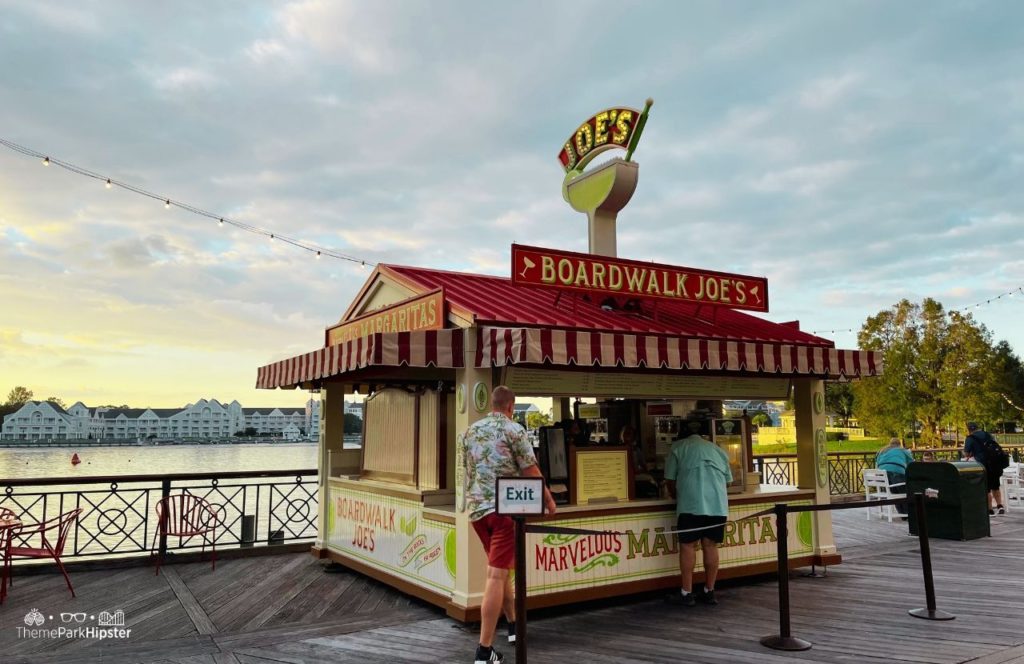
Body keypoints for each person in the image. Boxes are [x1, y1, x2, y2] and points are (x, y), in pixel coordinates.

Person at [461, 386, 556, 664]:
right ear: (511, 406)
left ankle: (513, 625)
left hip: (478, 512)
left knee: (499, 572)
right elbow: (531, 470)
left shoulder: (470, 432)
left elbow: (466, 471)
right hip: (505, 511)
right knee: (495, 576)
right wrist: (549, 502)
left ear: (492, 405)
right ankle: (484, 650)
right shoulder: (515, 430)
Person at [664, 419, 732, 606]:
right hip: (717, 505)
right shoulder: (717, 449)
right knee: (710, 546)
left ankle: (686, 593)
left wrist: (674, 493)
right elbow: (728, 482)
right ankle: (709, 591)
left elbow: (670, 479)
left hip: (690, 505)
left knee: (688, 546)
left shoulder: (678, 448)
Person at [964, 422, 1006, 515]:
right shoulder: (988, 434)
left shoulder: (970, 438)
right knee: (995, 486)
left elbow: (966, 453)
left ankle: (990, 510)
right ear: (978, 427)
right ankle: (1000, 506)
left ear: (969, 430)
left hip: (983, 465)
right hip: (995, 463)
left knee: (986, 488)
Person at [875, 438, 914, 515]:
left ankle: (902, 513)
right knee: (905, 492)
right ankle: (907, 513)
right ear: (899, 444)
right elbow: (911, 463)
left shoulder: (882, 450)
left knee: (895, 493)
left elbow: (877, 461)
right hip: (896, 472)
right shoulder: (902, 450)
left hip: (881, 475)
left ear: (890, 443)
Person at [623, 425, 659, 498]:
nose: (628, 436)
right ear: (623, 436)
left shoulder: (637, 450)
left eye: (630, 434)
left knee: (651, 480)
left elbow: (643, 466)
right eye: (627, 433)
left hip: (636, 477)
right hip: (624, 478)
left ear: (634, 437)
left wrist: (641, 470)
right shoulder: (620, 449)